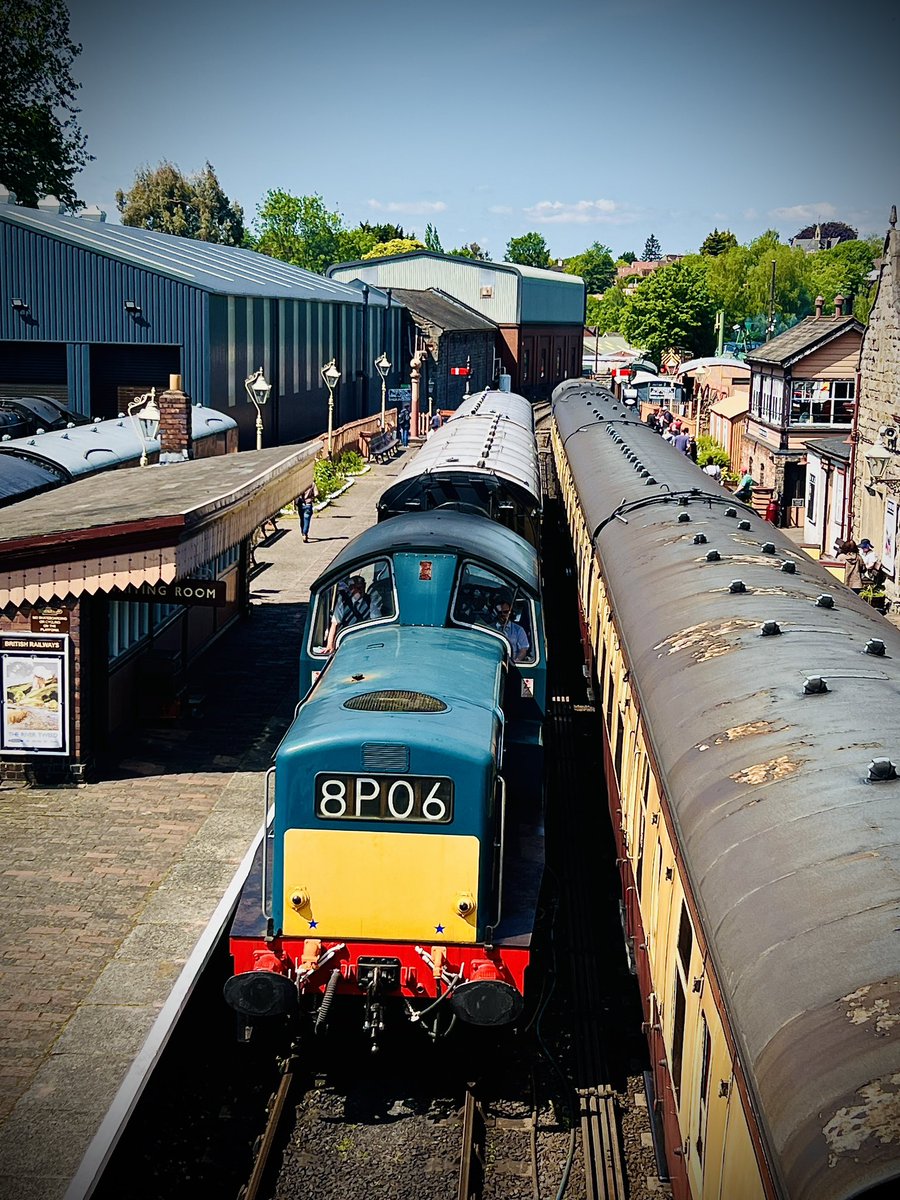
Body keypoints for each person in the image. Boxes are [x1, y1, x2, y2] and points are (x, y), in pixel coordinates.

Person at [324, 575, 383, 654]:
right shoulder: (343, 601)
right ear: (351, 589)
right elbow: (335, 623)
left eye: (363, 587)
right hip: (346, 639)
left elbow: (376, 621)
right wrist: (330, 645)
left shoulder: (370, 600)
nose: (361, 590)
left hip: (364, 638)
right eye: (358, 588)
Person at [493, 595, 530, 662]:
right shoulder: (490, 628)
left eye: (505, 612)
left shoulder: (519, 630)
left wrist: (515, 661)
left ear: (510, 612)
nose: (503, 615)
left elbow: (523, 650)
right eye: (499, 612)